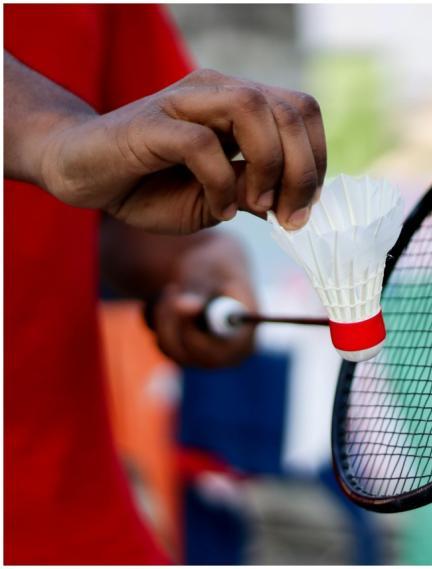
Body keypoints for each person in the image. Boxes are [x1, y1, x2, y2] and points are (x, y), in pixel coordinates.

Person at [4, 5, 326, 563]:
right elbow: (80, 150)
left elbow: (126, 198)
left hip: (74, 515)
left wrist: (196, 258)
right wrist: (54, 137)